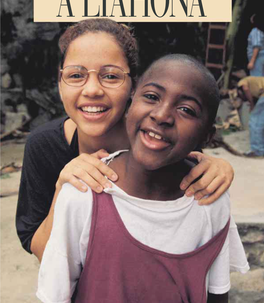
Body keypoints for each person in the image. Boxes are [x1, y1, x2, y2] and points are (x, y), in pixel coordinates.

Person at [16, 18, 234, 262]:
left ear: (133, 86)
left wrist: (215, 166)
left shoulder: (155, 141)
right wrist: (62, 188)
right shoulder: (43, 146)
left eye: (110, 76)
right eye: (76, 75)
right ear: (60, 84)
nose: (92, 90)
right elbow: (42, 252)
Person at [37, 54, 249, 303]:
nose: (162, 116)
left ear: (207, 135)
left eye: (186, 110)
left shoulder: (209, 196)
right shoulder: (84, 194)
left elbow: (217, 293)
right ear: (130, 102)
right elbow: (55, 295)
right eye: (151, 97)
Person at [237, 76, 264, 156]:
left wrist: (251, 104)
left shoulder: (242, 81)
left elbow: (245, 88)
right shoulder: (256, 83)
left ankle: (258, 151)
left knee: (255, 123)